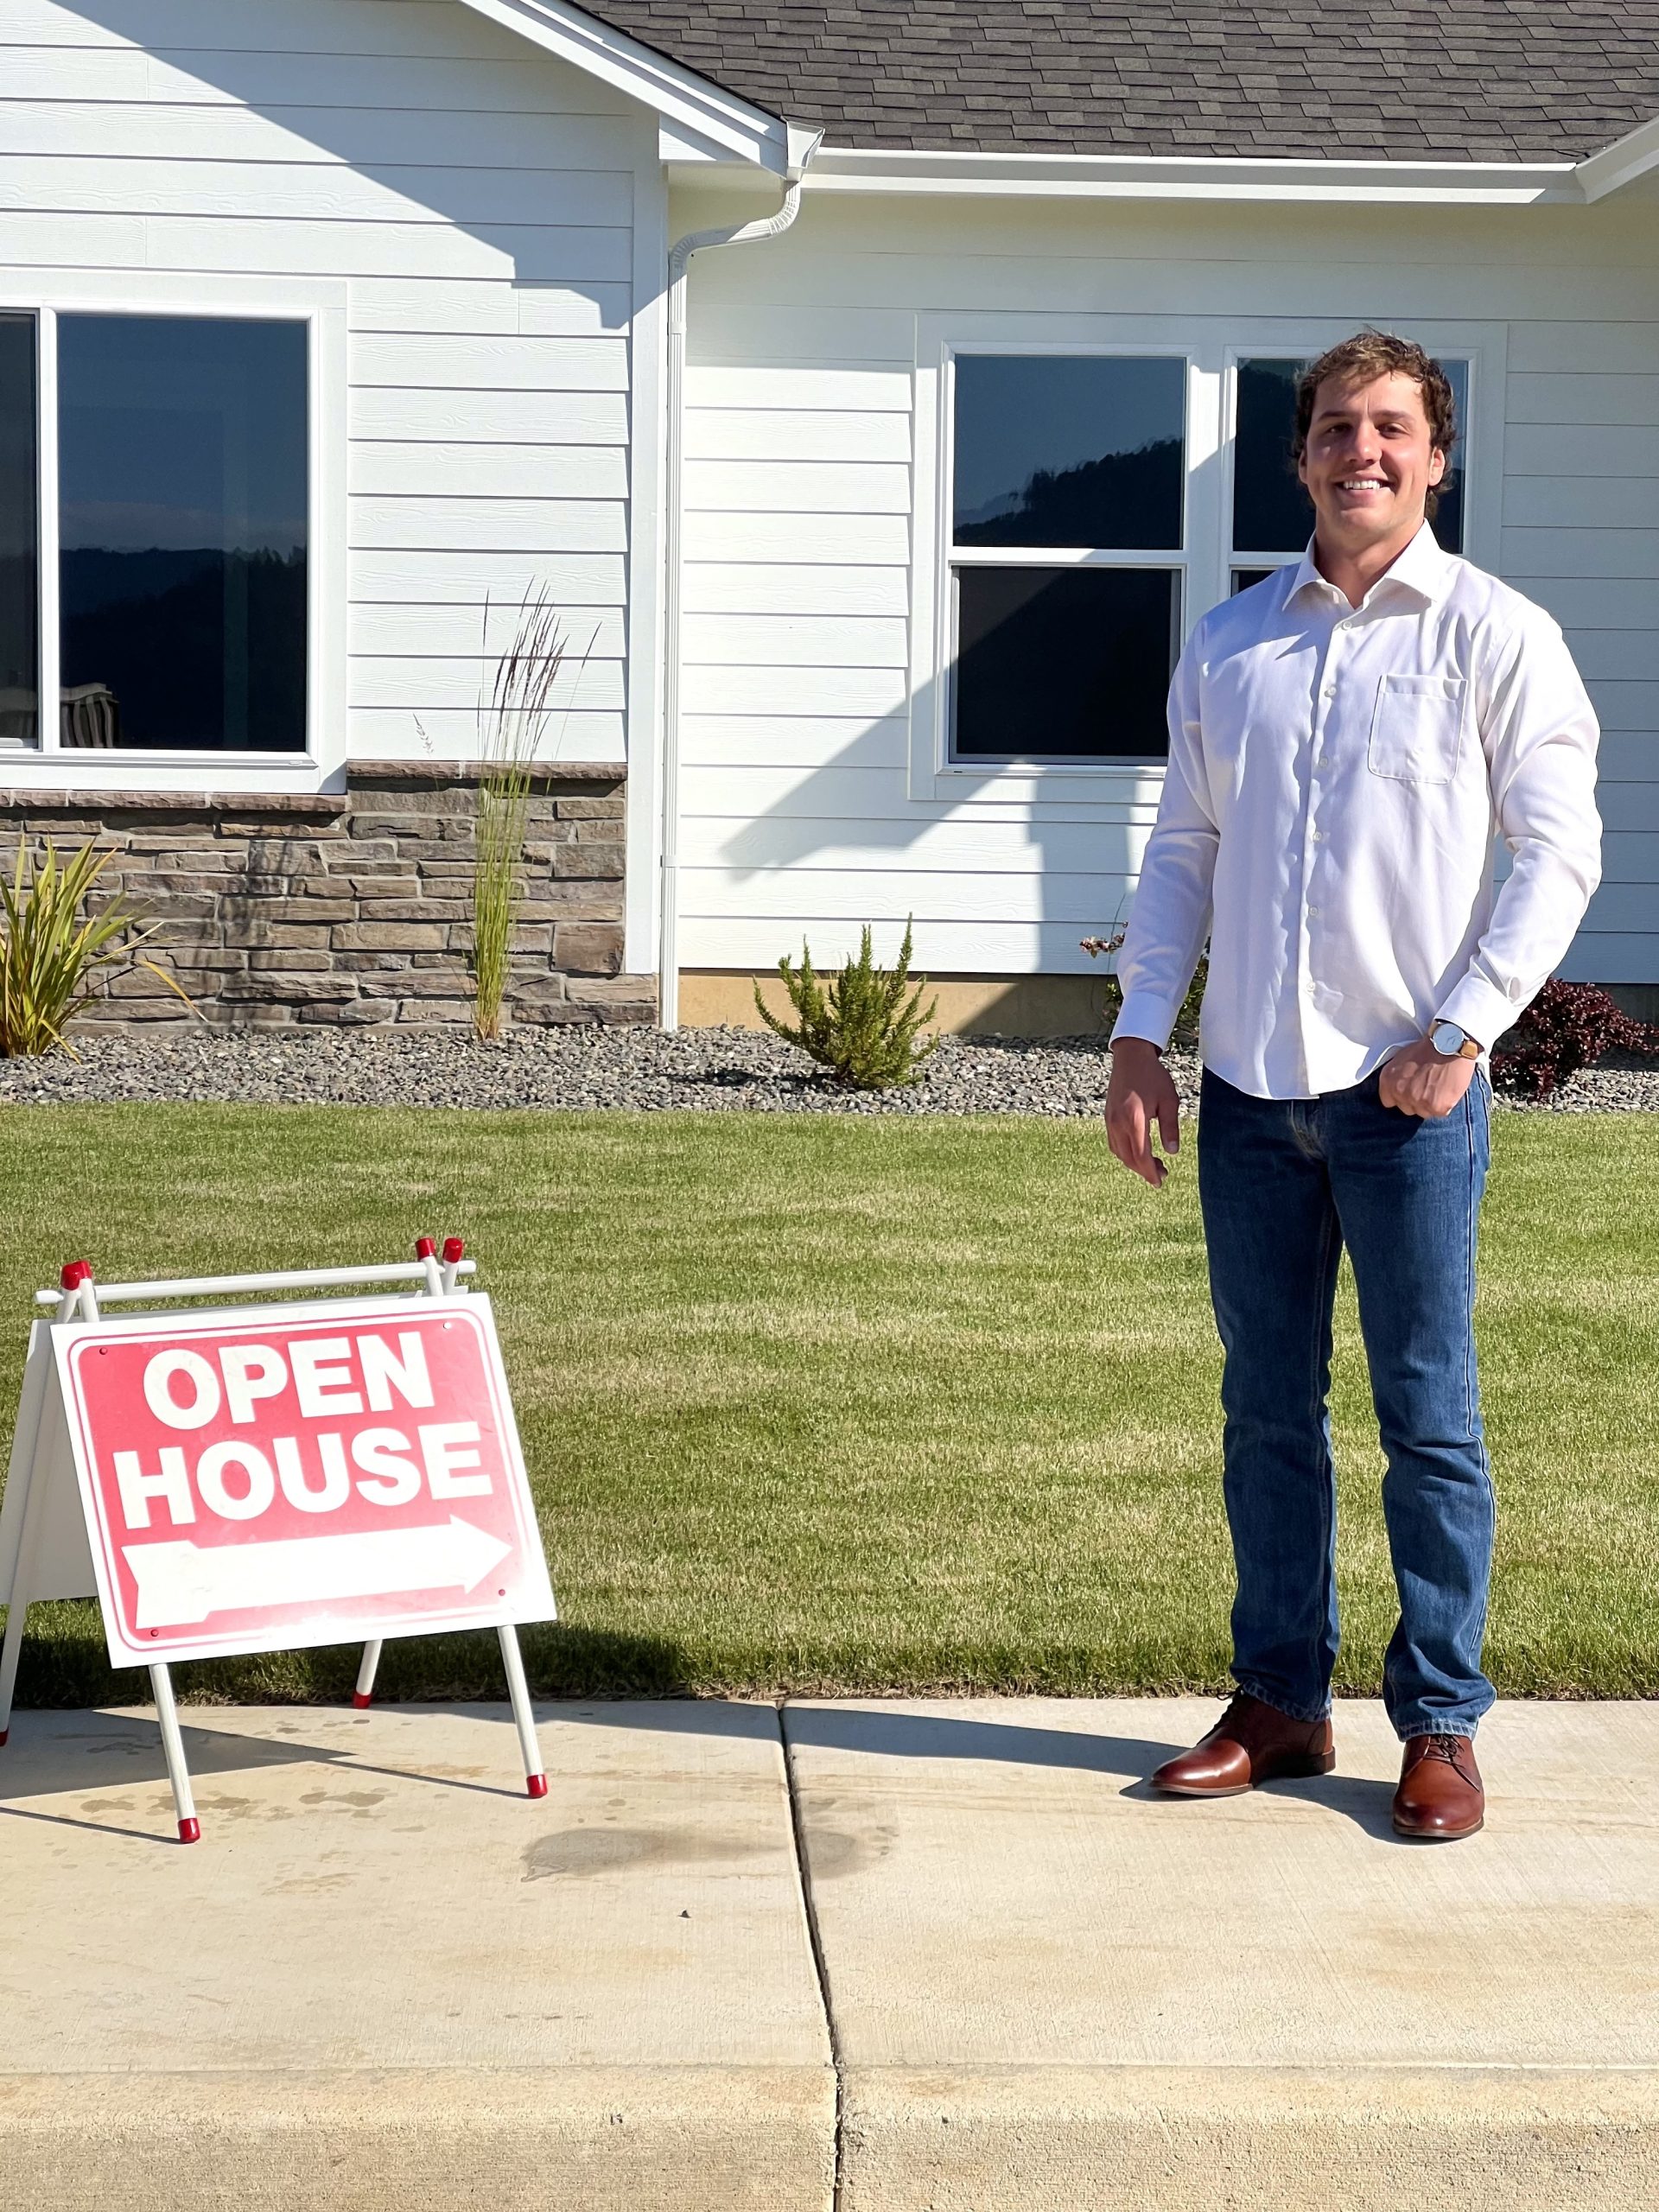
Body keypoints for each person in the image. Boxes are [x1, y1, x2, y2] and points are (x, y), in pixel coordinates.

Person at [1104, 329, 1602, 1840]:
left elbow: (1559, 851)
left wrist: (1457, 1034)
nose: (1360, 452)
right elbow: (1185, 847)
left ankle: (1441, 1722)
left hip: (1411, 1103)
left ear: (1437, 458)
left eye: (1391, 428)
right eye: (1335, 428)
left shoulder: (1496, 635)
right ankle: (1281, 1701)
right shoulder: (1235, 642)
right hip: (1253, 1091)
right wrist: (1139, 1031)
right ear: (1302, 455)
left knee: (1427, 1414)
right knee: (1266, 1411)